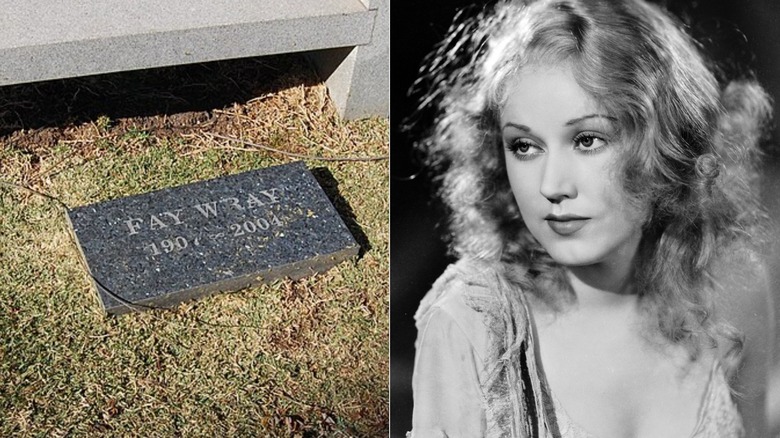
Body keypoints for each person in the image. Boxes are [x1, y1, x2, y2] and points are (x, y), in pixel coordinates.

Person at [407, 0, 776, 437]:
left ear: (666, 143)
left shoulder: (734, 288)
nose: (551, 185)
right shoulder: (470, 324)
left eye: (587, 140)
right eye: (524, 146)